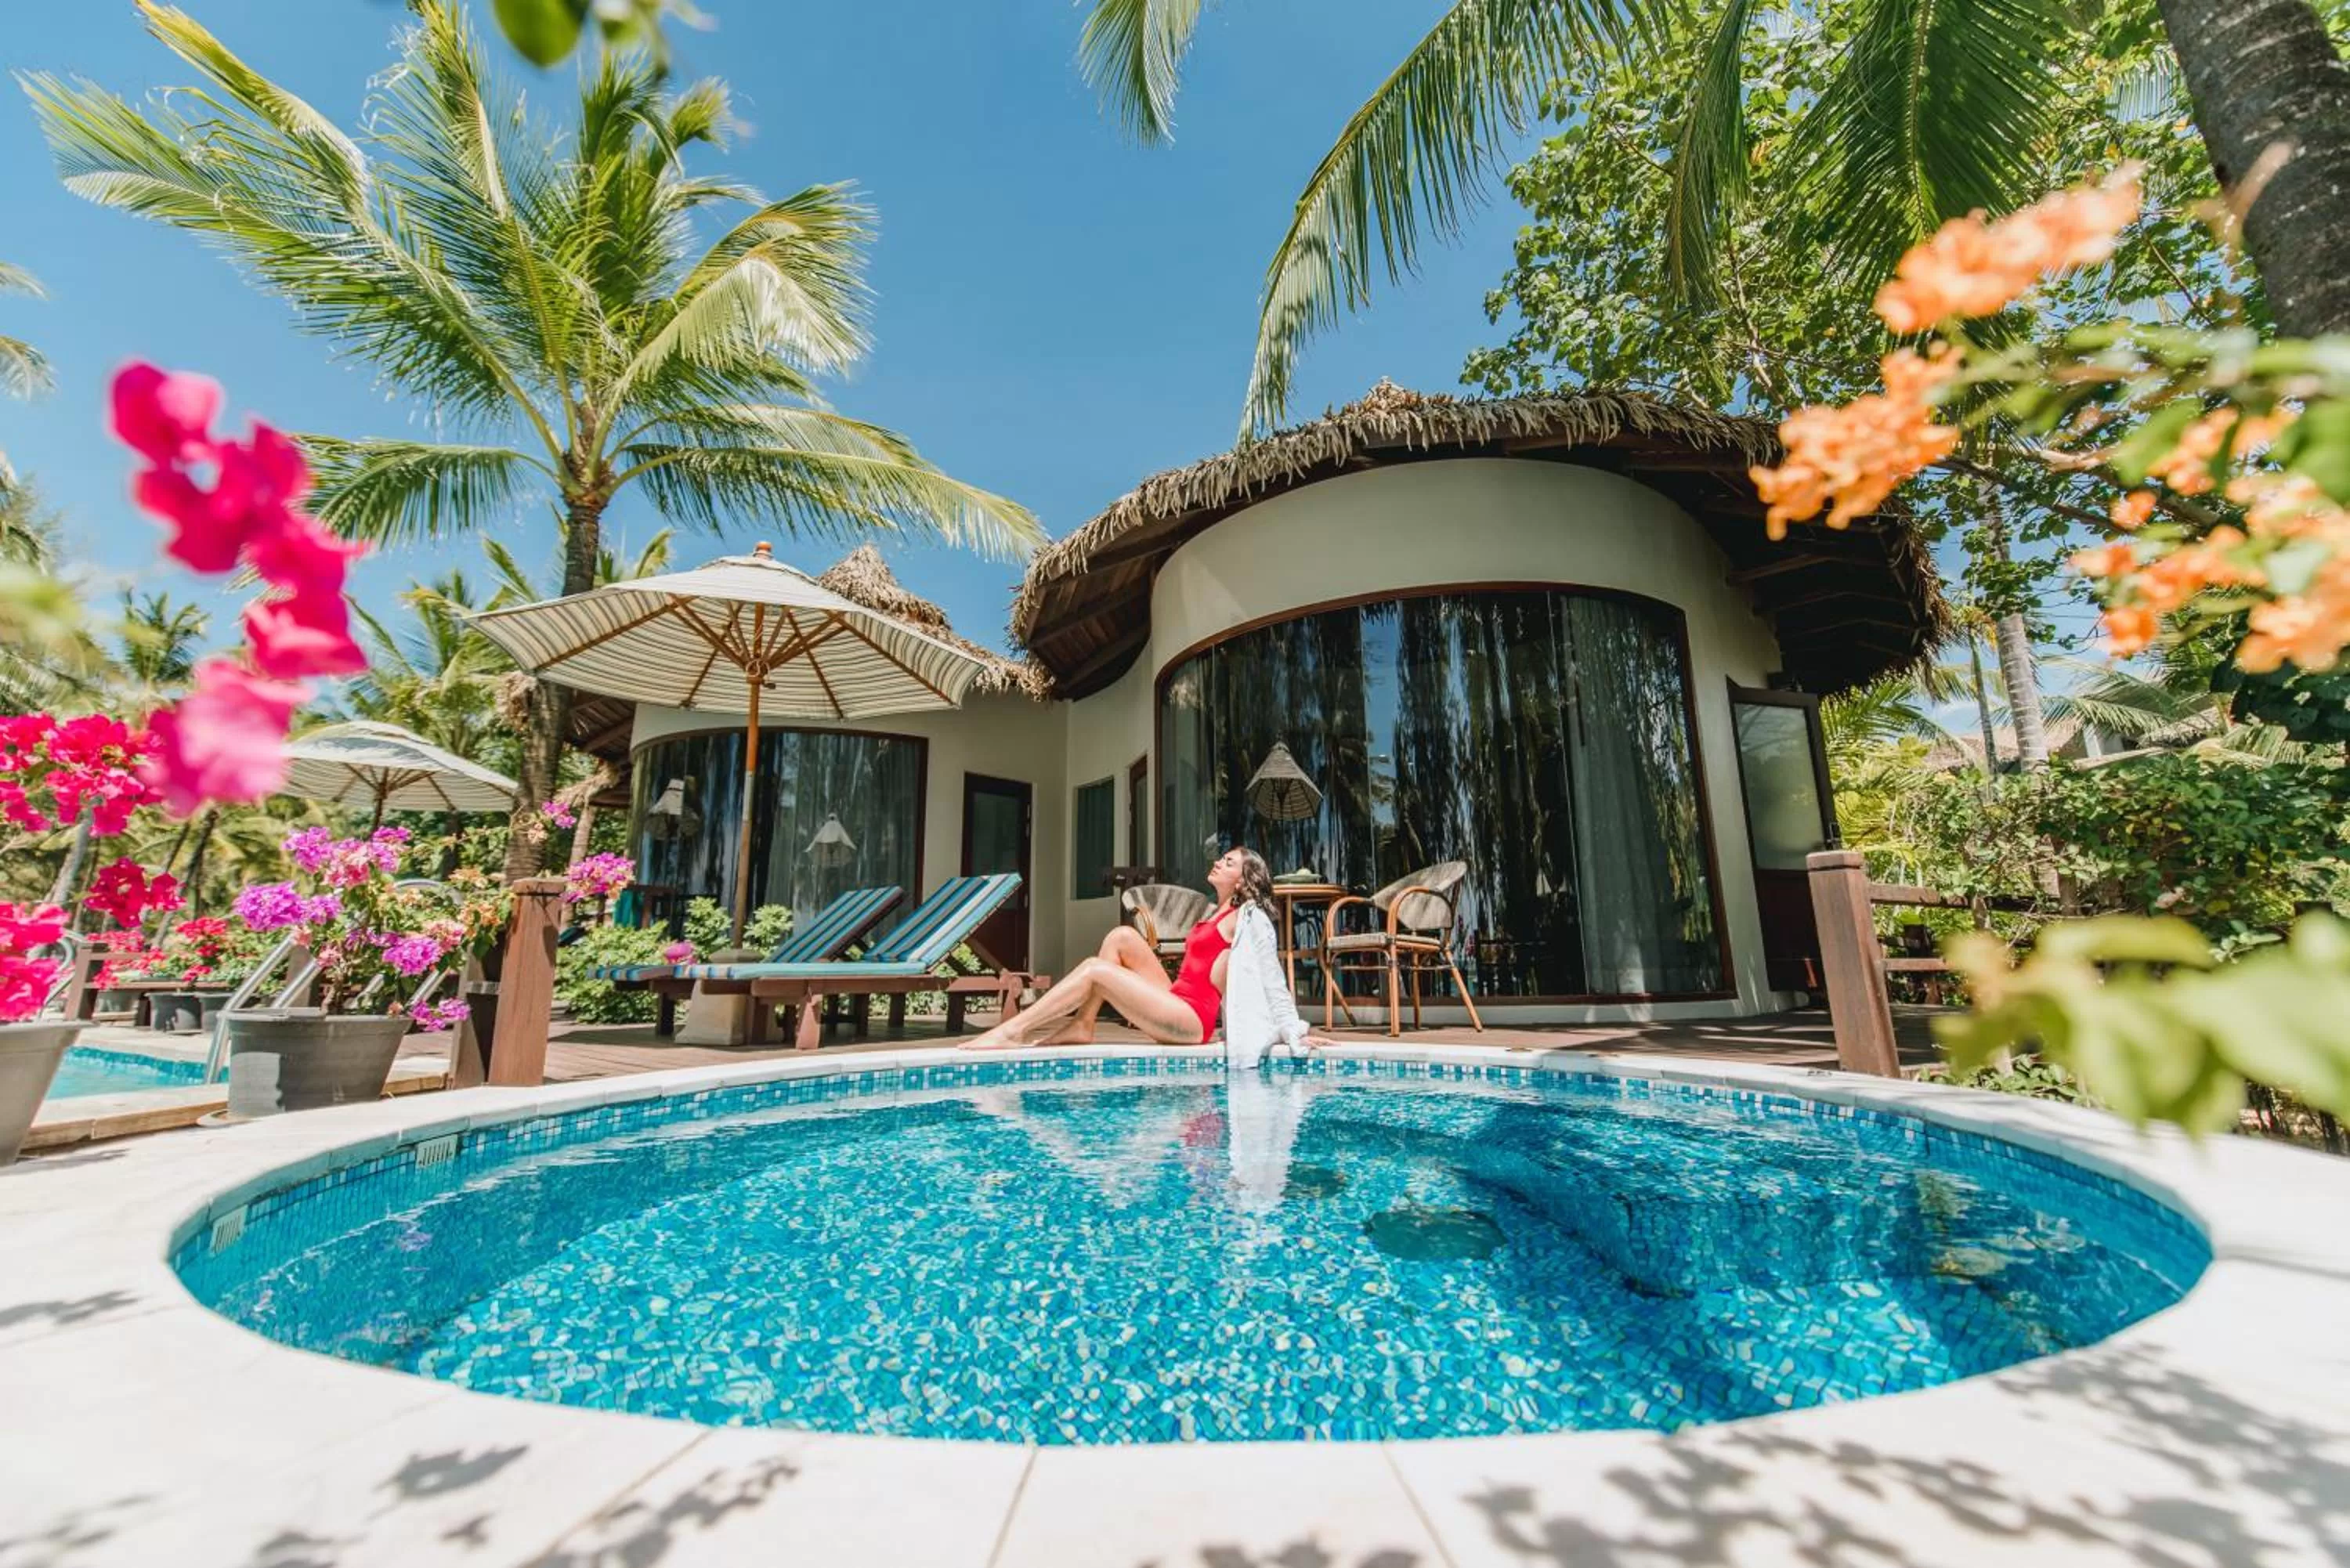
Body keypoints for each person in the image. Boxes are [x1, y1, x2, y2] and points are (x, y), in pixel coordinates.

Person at [960, 847, 1309, 1051]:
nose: (1218, 862)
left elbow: (1270, 973)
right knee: (1120, 938)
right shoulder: (1213, 912)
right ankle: (1083, 1024)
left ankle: (1014, 1031)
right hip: (1177, 998)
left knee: (1096, 970)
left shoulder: (1244, 917)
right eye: (1222, 858)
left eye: (1229, 862)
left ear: (1244, 881)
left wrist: (1291, 1027)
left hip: (1192, 1020)